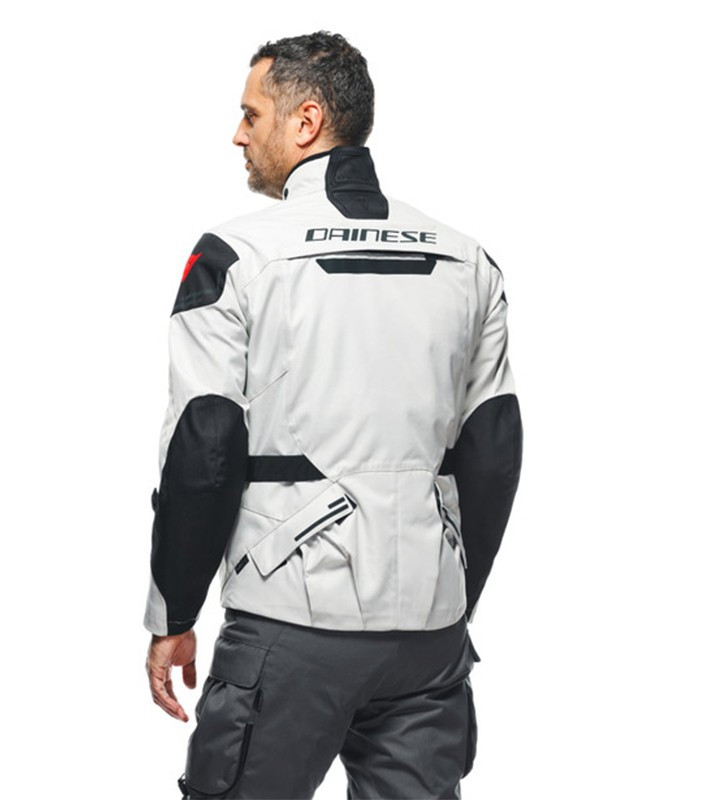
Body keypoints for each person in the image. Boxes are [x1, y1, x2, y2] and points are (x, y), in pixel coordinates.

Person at [144, 31, 523, 800]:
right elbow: (493, 450)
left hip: (290, 628)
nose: (239, 134)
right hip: (430, 642)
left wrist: (173, 612)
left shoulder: (235, 256)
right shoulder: (468, 259)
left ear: (307, 120)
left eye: (252, 114)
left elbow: (205, 446)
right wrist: (447, 598)